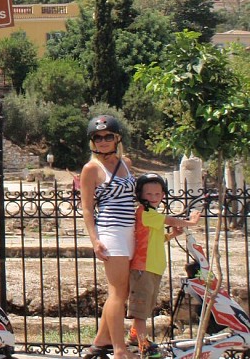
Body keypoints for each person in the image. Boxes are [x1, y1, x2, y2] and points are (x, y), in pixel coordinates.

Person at [80, 115, 136, 359]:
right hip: (111, 232)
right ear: (93, 141)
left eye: (107, 136)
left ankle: (101, 340)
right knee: (117, 292)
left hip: (130, 231)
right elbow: (87, 209)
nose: (103, 141)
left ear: (117, 138)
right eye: (98, 137)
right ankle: (120, 349)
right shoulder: (91, 168)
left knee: (124, 291)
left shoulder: (127, 163)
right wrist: (95, 240)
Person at [127, 173, 201, 354]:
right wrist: (190, 222)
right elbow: (170, 220)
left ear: (162, 195)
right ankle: (142, 344)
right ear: (140, 195)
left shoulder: (152, 215)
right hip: (143, 267)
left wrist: (173, 235)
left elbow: (158, 238)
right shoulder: (144, 212)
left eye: (157, 194)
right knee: (141, 310)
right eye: (149, 194)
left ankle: (135, 336)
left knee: (145, 307)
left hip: (153, 268)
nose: (153, 198)